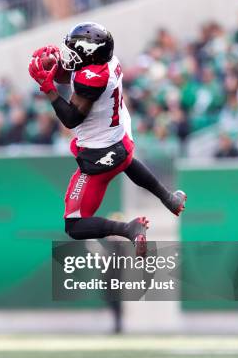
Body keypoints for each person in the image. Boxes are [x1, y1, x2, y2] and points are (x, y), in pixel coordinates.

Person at [28, 22, 186, 255]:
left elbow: (71, 119)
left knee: (74, 224)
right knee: (128, 161)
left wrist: (47, 87)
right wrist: (56, 67)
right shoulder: (108, 61)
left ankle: (129, 229)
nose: (67, 56)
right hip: (120, 140)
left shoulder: (91, 78)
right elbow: (75, 74)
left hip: (99, 155)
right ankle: (168, 198)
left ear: (88, 55)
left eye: (73, 51)